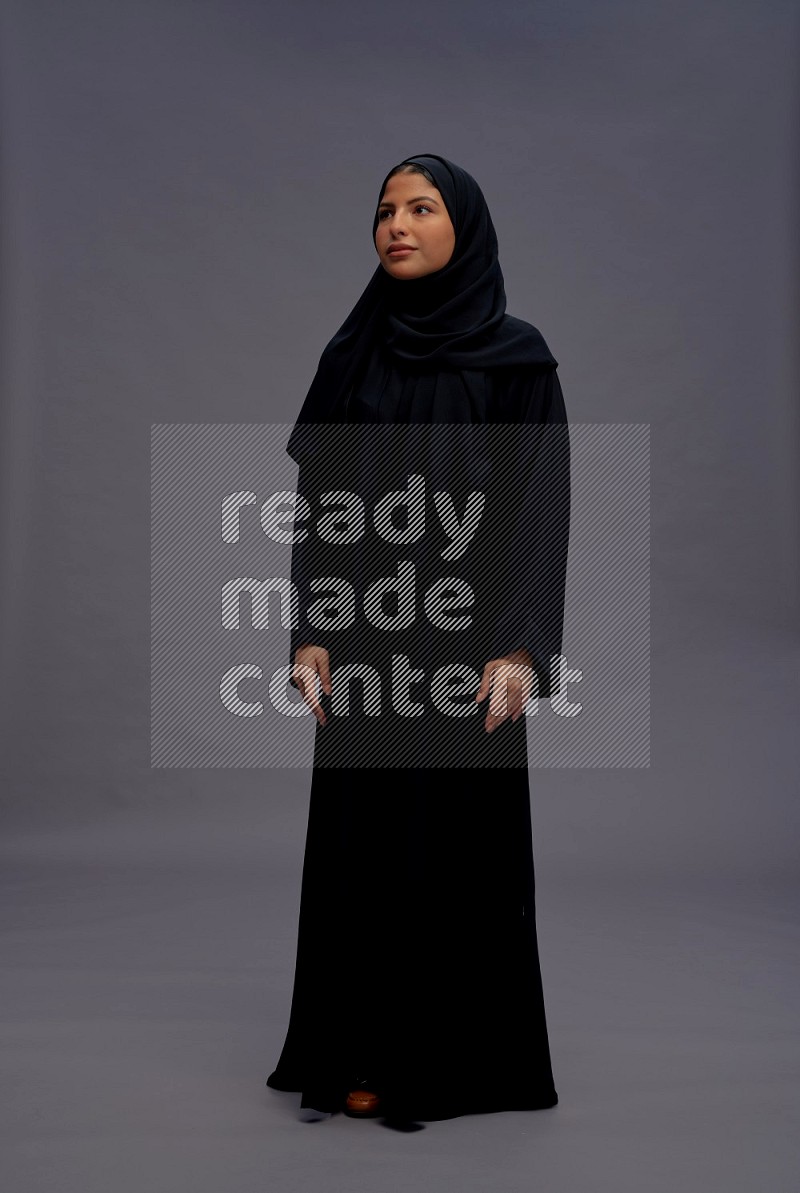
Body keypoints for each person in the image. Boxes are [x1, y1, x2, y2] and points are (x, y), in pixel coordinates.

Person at [265, 153, 571, 1125]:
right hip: (364, 643)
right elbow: (319, 506)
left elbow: (536, 510)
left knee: (452, 854)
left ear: (462, 226)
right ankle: (356, 1047)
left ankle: (442, 1062)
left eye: (421, 207)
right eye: (385, 209)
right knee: (364, 851)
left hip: (466, 643)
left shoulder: (516, 359)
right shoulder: (353, 355)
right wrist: (309, 630)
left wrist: (519, 648)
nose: (396, 224)